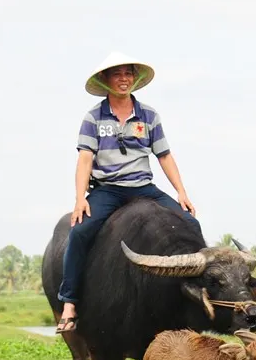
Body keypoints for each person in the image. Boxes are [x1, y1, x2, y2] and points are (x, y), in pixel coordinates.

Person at [55, 52, 201, 333]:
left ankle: (195, 297)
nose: (124, 79)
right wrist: (79, 199)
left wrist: (181, 192)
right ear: (106, 80)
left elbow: (165, 156)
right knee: (79, 232)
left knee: (191, 223)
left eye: (128, 74)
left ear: (135, 79)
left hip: (143, 188)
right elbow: (85, 159)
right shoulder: (93, 117)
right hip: (108, 190)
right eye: (117, 74)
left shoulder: (148, 115)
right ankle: (70, 302)